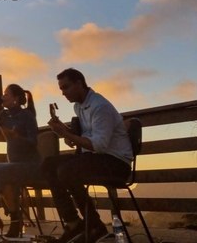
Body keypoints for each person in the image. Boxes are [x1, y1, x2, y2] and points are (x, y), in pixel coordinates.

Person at [42, 68, 133, 243]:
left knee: (67, 171)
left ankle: (93, 225)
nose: (63, 93)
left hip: (116, 162)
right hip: (97, 158)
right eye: (61, 89)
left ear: (79, 83)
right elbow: (87, 139)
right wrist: (65, 131)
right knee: (49, 164)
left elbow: (99, 145)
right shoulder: (79, 106)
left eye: (66, 87)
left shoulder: (100, 107)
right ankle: (73, 223)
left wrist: (67, 135)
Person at [0, 83, 40, 238]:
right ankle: (6, 219)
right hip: (13, 166)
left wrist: (17, 136)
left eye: (6, 94)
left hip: (30, 165)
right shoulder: (3, 115)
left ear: (16, 99)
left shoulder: (27, 115)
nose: (2, 97)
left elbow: (33, 141)